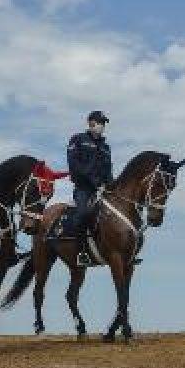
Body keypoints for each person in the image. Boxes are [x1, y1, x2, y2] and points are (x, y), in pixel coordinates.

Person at [66, 111, 113, 266]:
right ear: (90, 123)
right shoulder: (78, 140)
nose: (102, 126)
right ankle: (81, 253)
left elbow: (108, 171)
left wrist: (111, 186)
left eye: (103, 123)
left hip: (103, 189)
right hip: (84, 189)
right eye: (99, 122)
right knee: (83, 214)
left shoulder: (106, 147)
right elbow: (74, 165)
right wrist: (94, 182)